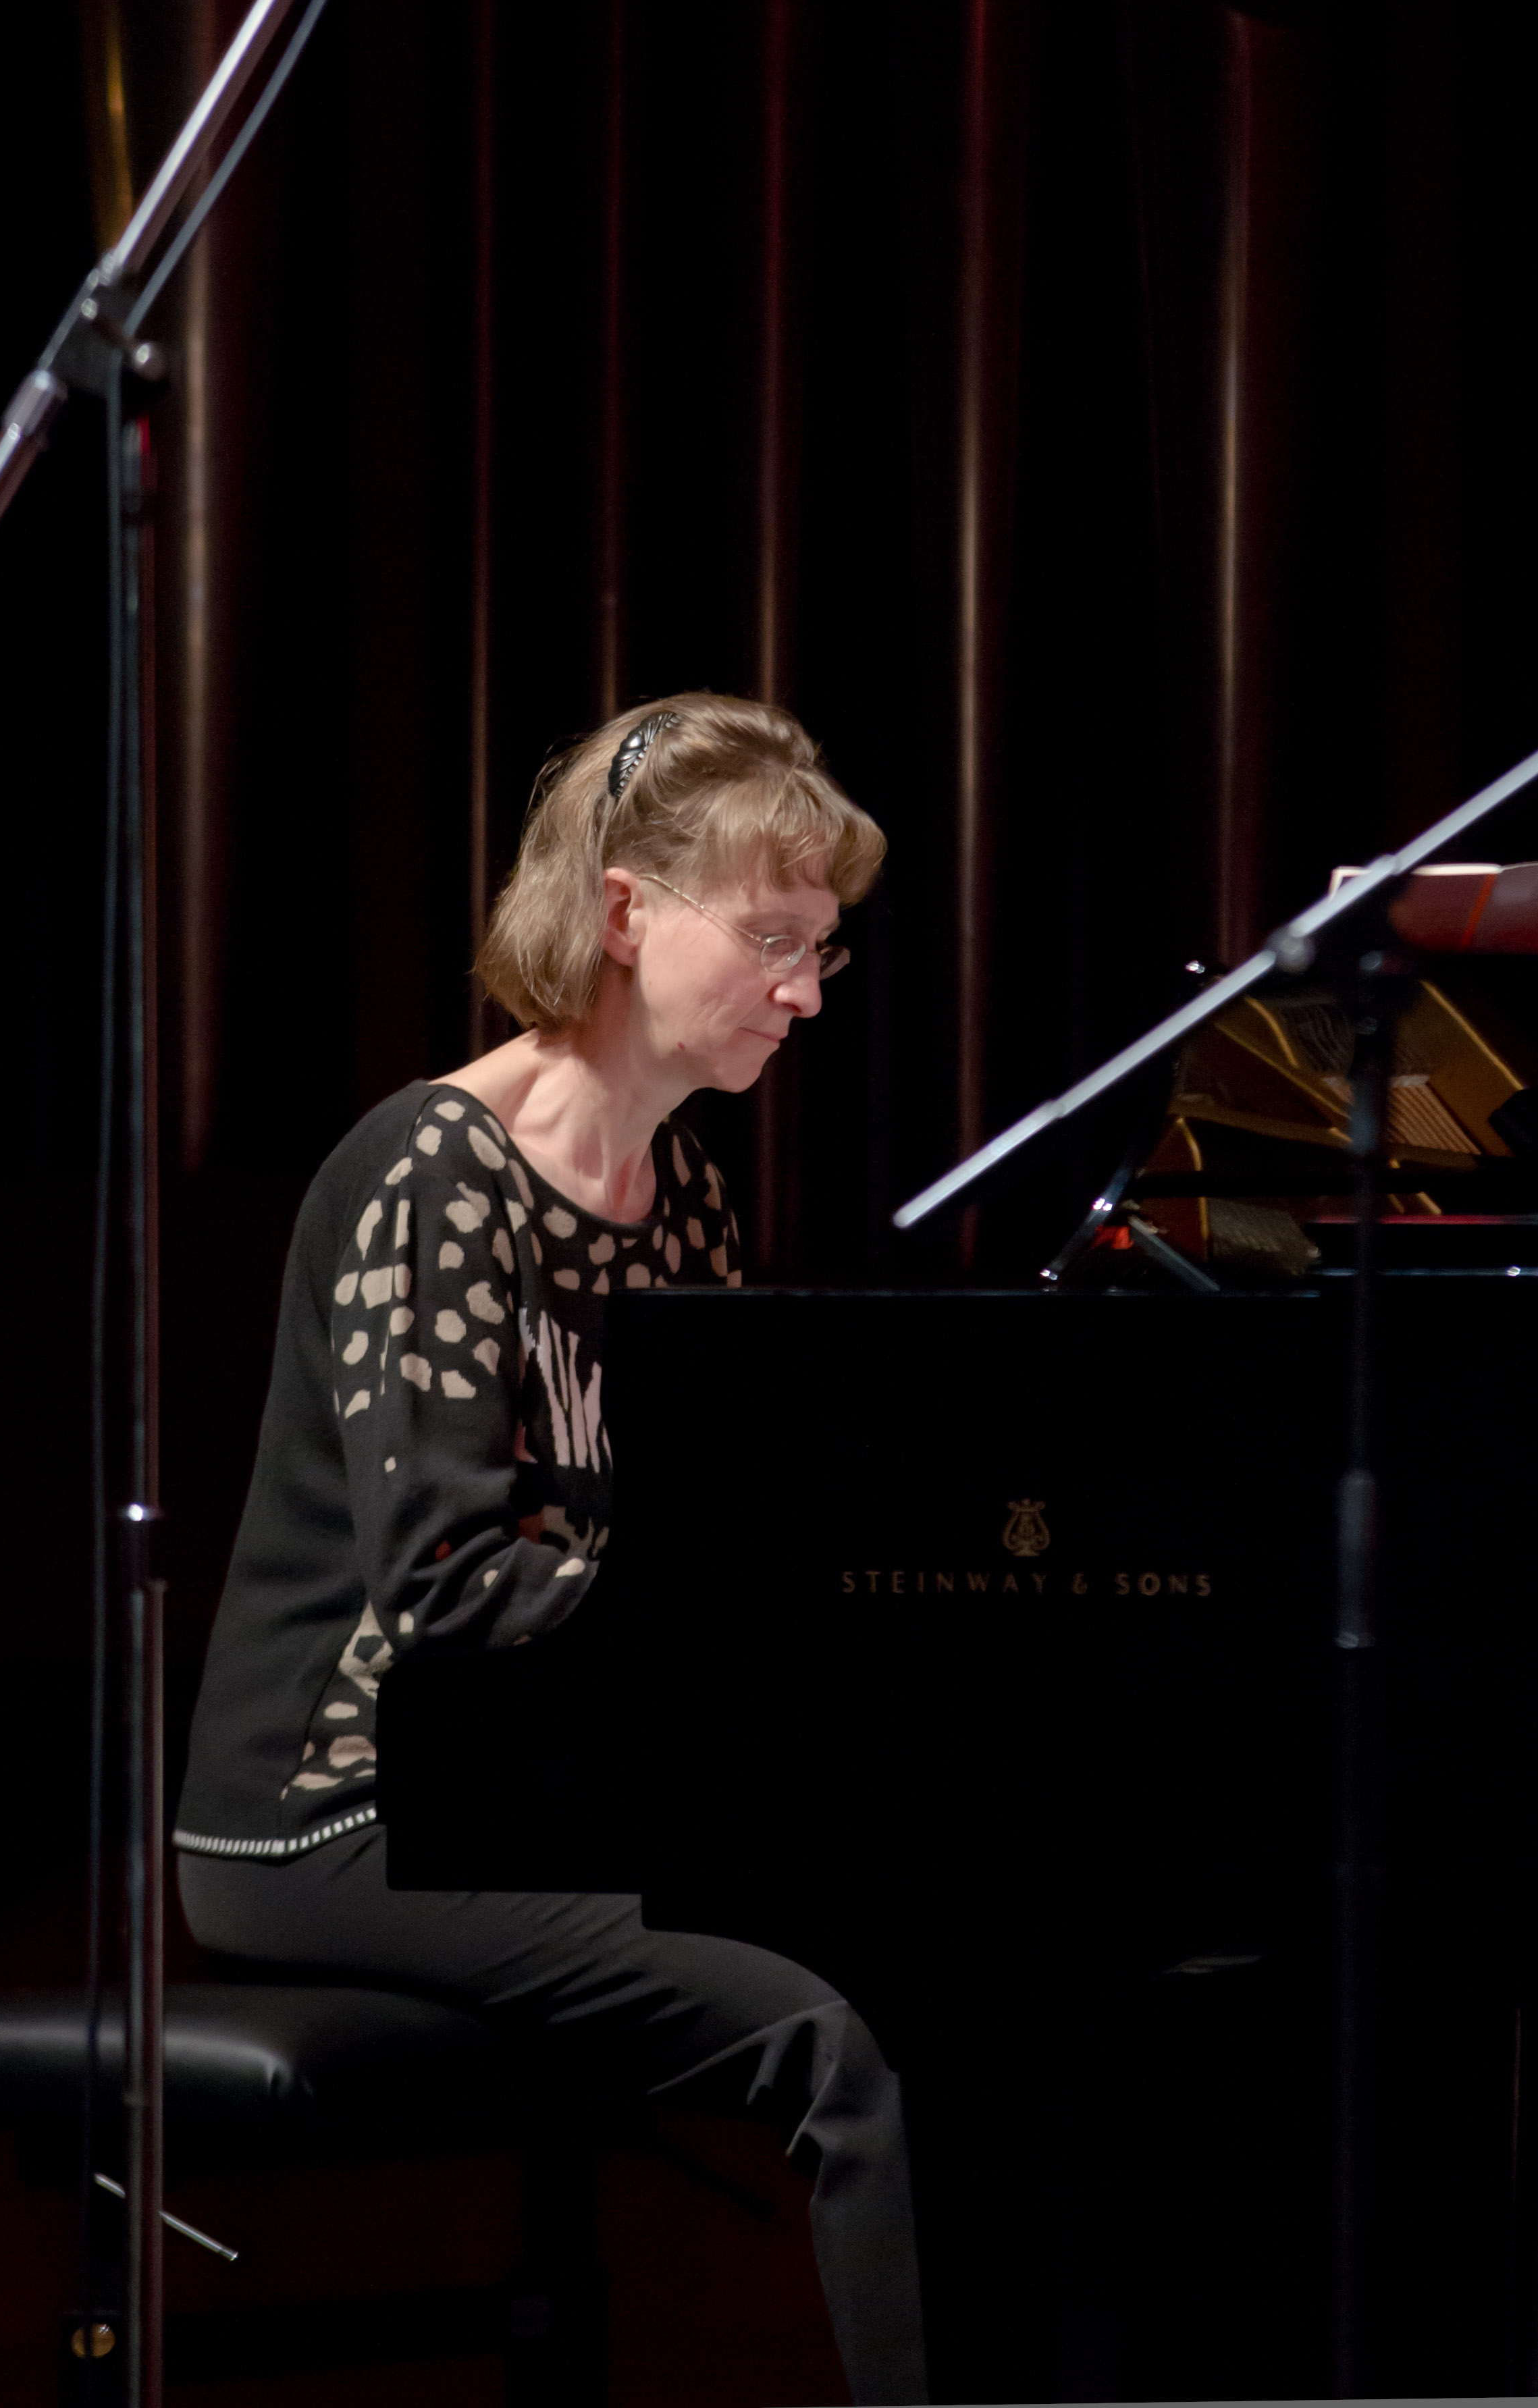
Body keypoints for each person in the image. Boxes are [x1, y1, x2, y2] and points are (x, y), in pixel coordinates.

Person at [173, 691, 928, 2405]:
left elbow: (717, 1536)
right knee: (838, 2036)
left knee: (960, 1969)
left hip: (552, 1788)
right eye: (771, 941)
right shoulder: (435, 1171)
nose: (806, 993)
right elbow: (448, 1590)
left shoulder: (687, 1194)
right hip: (342, 1812)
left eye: (820, 949)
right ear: (622, 913)